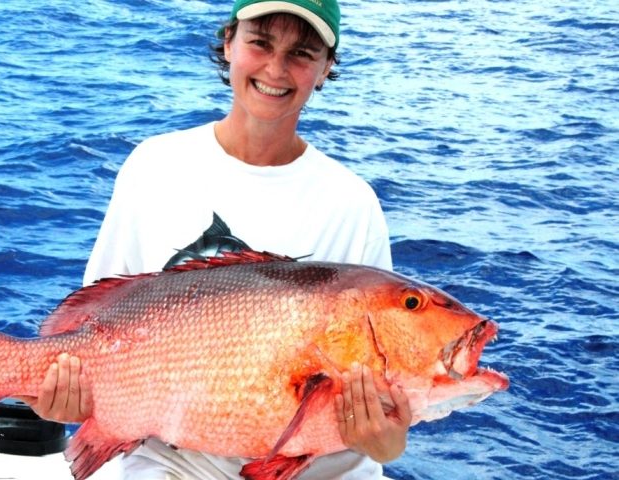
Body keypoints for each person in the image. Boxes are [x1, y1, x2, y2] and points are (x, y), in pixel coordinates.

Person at [21, 0, 413, 478]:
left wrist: (385, 440)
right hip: (171, 462)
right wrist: (63, 396)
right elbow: (93, 328)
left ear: (327, 68)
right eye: (260, 43)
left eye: (302, 54)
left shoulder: (352, 203)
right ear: (228, 43)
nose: (275, 68)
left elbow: (388, 439)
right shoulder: (155, 166)